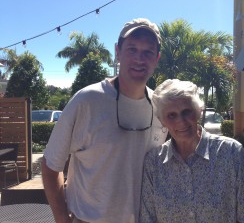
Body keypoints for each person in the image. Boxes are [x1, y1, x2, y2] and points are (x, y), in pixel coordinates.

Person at [41, 18, 168, 223]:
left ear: (157, 58)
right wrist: (62, 219)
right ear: (117, 52)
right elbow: (50, 165)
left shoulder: (161, 108)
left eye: (148, 52)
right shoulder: (87, 100)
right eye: (132, 49)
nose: (139, 59)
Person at [139, 79, 244, 223]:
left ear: (199, 110)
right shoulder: (154, 163)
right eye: (171, 115)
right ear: (162, 120)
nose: (181, 121)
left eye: (187, 112)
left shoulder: (230, 153)